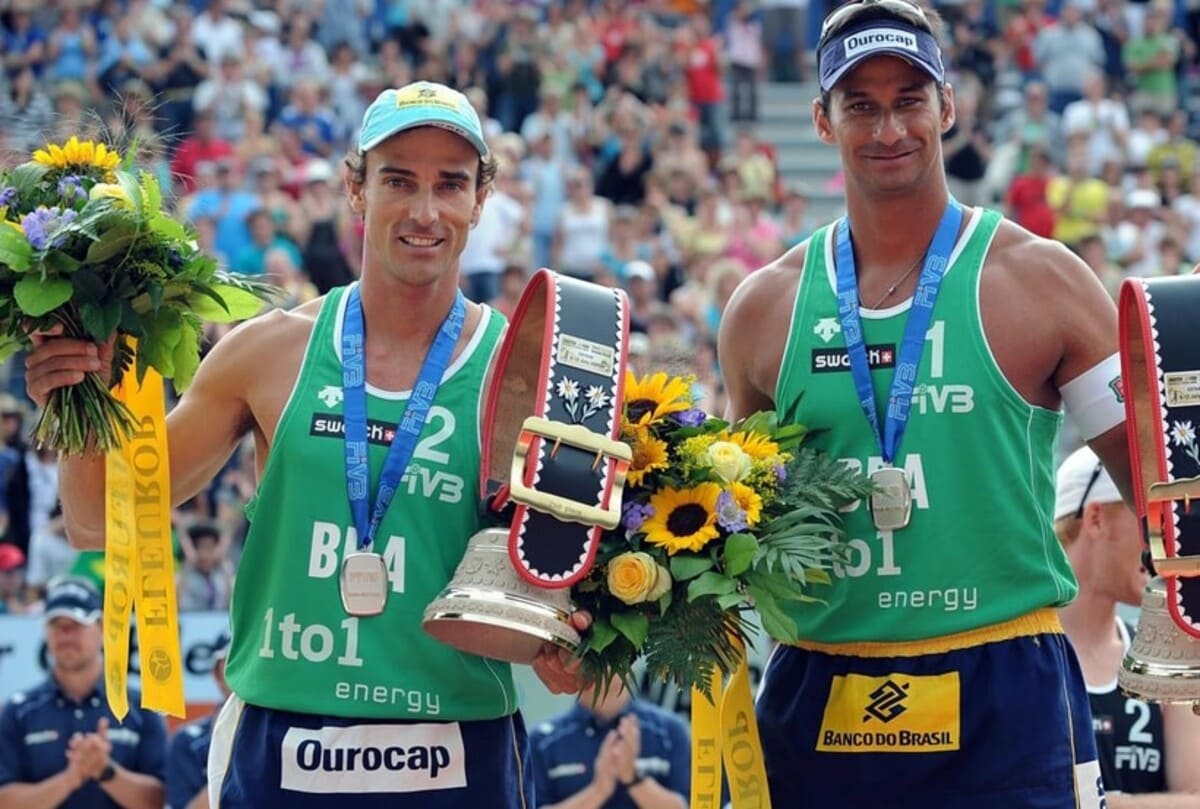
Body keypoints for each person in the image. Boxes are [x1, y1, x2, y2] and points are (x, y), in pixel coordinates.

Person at [24, 80, 586, 807]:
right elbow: (99, 520)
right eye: (398, 181)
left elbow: (561, 593)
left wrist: (573, 641)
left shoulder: (522, 372)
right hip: (285, 746)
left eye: (450, 184)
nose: (425, 211)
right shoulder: (268, 353)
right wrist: (78, 397)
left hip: (459, 748)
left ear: (481, 199)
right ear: (355, 190)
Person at [717, 1, 1135, 805]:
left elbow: (1159, 482)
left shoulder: (1041, 279)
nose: (888, 127)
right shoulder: (764, 308)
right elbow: (736, 520)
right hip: (819, 682)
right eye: (860, 105)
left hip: (1002, 677)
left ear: (948, 104)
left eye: (908, 98)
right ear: (822, 119)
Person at [1054, 446, 1200, 805]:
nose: (1167, 545)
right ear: (1096, 519)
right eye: (1153, 524)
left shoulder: (1163, 654)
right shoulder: (1023, 656)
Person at [0, 577, 167, 808]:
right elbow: (5, 801)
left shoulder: (141, 705)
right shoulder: (18, 711)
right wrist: (70, 778)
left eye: (76, 625)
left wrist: (105, 771)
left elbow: (161, 800)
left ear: (101, 628)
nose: (66, 636)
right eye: (57, 625)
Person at [529, 678, 689, 809]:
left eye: (613, 646)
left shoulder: (670, 731)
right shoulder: (542, 741)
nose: (600, 657)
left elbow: (686, 805)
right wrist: (598, 790)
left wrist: (632, 777)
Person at [165, 631, 232, 809]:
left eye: (248, 661)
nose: (242, 672)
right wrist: (230, 752)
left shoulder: (279, 732)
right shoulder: (187, 741)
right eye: (232, 660)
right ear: (216, 674)